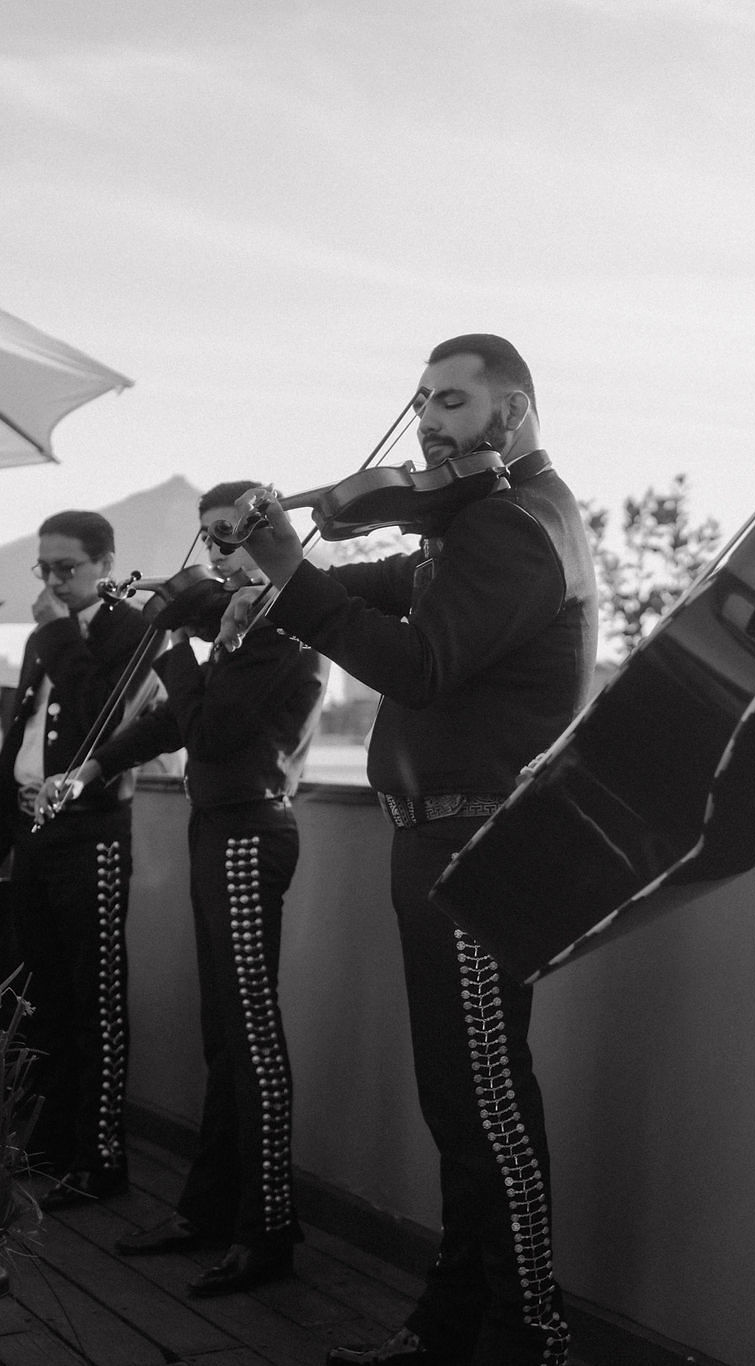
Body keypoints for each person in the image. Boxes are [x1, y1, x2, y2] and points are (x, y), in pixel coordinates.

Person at [235, 335, 595, 1366]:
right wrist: (282, 561)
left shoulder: (518, 528)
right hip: (443, 833)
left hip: (476, 841)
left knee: (484, 1100)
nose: (428, 422)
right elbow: (391, 582)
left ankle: (529, 1332)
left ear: (511, 414)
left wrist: (288, 571)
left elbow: (421, 663)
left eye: (449, 400)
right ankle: (452, 1322)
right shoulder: (475, 522)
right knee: (459, 1100)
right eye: (421, 401)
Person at [56, 481, 327, 1298]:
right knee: (223, 1035)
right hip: (218, 830)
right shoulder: (238, 628)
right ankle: (209, 1209)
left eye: (231, 534)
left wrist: (172, 636)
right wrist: (96, 763)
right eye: (208, 537)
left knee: (250, 1038)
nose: (215, 550)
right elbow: (178, 723)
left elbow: (209, 726)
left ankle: (269, 1227)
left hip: (251, 834)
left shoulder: (286, 627)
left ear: (269, 537)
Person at [0, 509, 155, 1208]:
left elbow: (101, 724)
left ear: (107, 565)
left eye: (66, 569)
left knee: (95, 999)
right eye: (43, 568)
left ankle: (100, 1156)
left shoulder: (133, 632)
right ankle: (49, 1140)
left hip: (93, 832)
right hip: (31, 833)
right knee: (39, 992)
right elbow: (19, 732)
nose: (51, 581)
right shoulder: (40, 638)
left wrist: (56, 633)